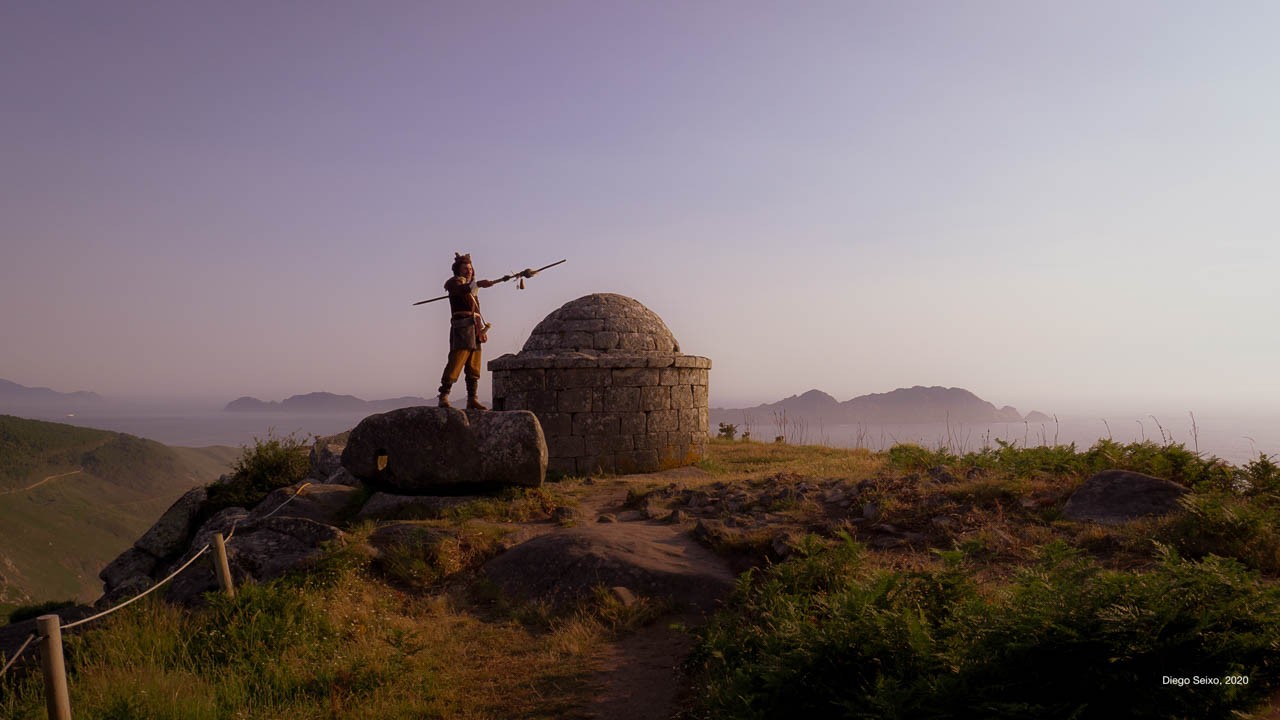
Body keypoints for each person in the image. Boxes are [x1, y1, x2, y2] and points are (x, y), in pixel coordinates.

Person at [437, 253, 499, 409]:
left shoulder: (472, 288)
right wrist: (478, 284)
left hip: (475, 328)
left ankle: (472, 399)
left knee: (474, 365)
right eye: (465, 268)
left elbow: (474, 301)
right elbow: (460, 289)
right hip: (462, 327)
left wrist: (481, 331)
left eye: (470, 269)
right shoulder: (453, 283)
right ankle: (443, 396)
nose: (468, 271)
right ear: (458, 270)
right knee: (456, 360)